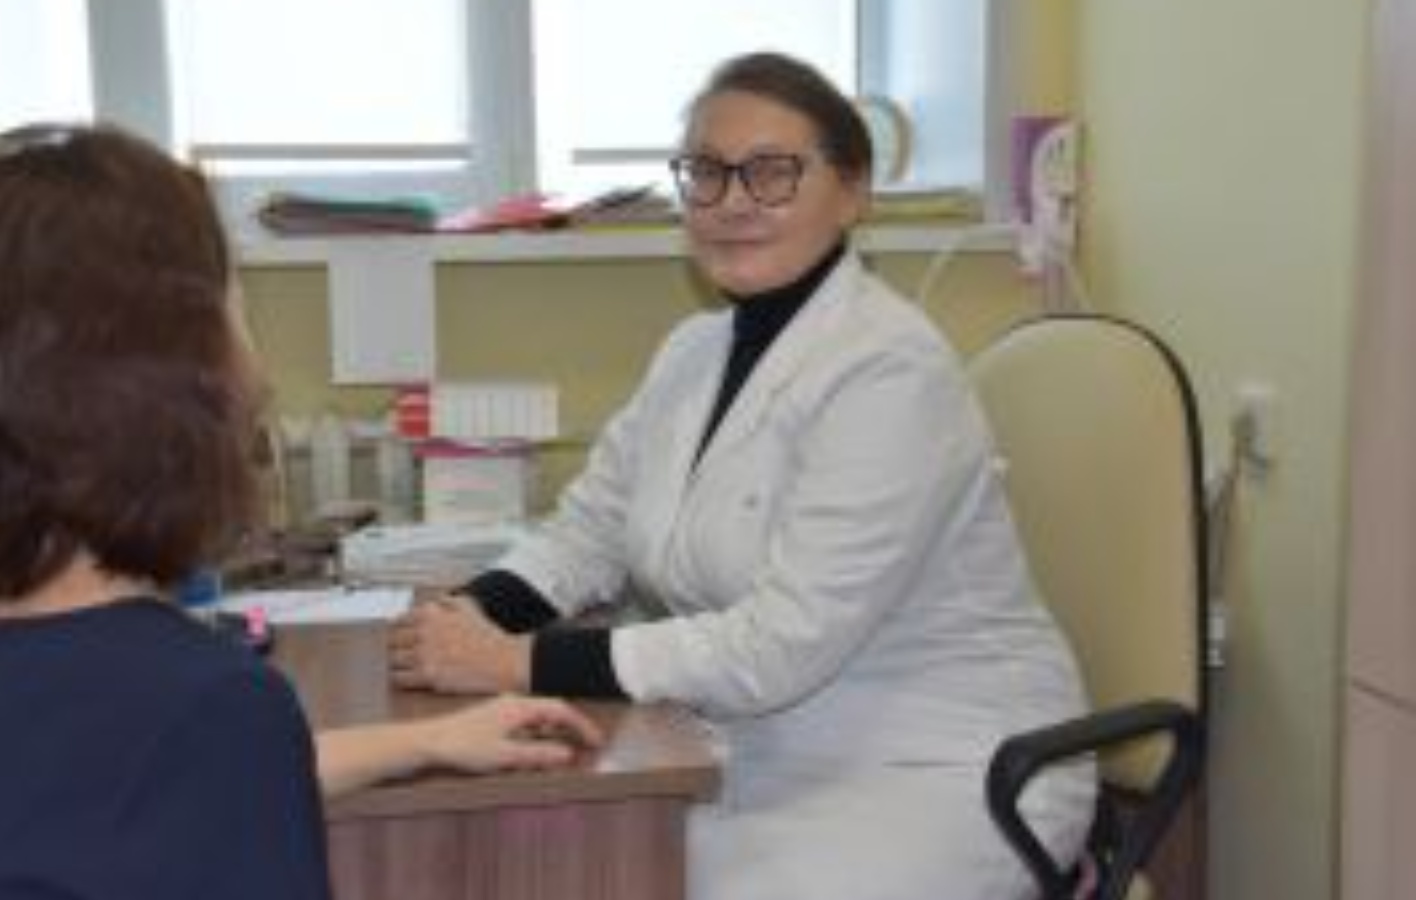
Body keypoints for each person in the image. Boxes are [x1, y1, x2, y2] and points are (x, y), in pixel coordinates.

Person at [0, 123, 600, 900]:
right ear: (170, 377)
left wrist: (420, 743)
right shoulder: (206, 705)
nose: (257, 373)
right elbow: (171, 772)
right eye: (234, 309)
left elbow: (84, 804)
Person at [389, 52, 1096, 899]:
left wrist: (518, 661)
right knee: (565, 865)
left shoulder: (891, 370)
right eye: (708, 172)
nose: (731, 202)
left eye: (771, 173)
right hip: (752, 748)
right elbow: (590, 531)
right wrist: (469, 615)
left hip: (946, 770)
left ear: (853, 191)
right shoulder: (693, 352)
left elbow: (782, 642)